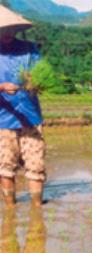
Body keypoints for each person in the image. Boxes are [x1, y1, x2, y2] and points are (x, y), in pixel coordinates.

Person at [0, 6, 46, 208]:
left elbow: (40, 75)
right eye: (3, 29)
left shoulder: (29, 49)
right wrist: (1, 87)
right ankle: (10, 210)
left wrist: (37, 83)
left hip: (30, 115)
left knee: (36, 164)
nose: (8, 33)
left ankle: (37, 211)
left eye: (11, 28)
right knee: (5, 165)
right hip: (2, 119)